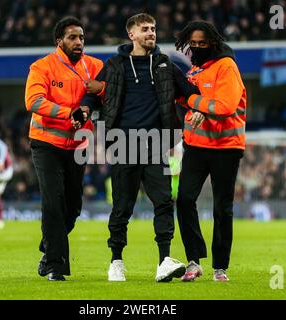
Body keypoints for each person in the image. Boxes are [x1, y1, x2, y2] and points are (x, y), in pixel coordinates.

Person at [81, 13, 199, 282]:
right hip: (123, 144)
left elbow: (189, 92)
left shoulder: (165, 65)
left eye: (154, 28)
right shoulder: (114, 65)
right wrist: (85, 108)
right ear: (131, 34)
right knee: (122, 206)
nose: (151, 33)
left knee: (164, 203)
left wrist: (202, 106)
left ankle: (164, 262)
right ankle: (116, 261)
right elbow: (93, 94)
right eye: (145, 29)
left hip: (156, 145)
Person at [25, 17, 103, 281]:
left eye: (81, 37)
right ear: (59, 41)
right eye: (72, 37)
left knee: (73, 207)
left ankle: (49, 245)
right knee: (53, 201)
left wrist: (92, 105)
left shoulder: (94, 66)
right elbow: (34, 101)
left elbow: (107, 94)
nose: (79, 42)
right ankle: (56, 266)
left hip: (78, 145)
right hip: (46, 143)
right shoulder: (42, 67)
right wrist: (67, 112)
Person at [175, 20, 247, 282]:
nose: (196, 47)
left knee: (222, 208)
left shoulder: (226, 66)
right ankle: (194, 261)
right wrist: (192, 105)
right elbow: (182, 98)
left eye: (202, 44)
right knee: (184, 200)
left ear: (213, 43)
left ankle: (220, 267)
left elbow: (225, 106)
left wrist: (195, 103)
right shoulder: (195, 70)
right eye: (192, 44)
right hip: (195, 145)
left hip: (225, 147)